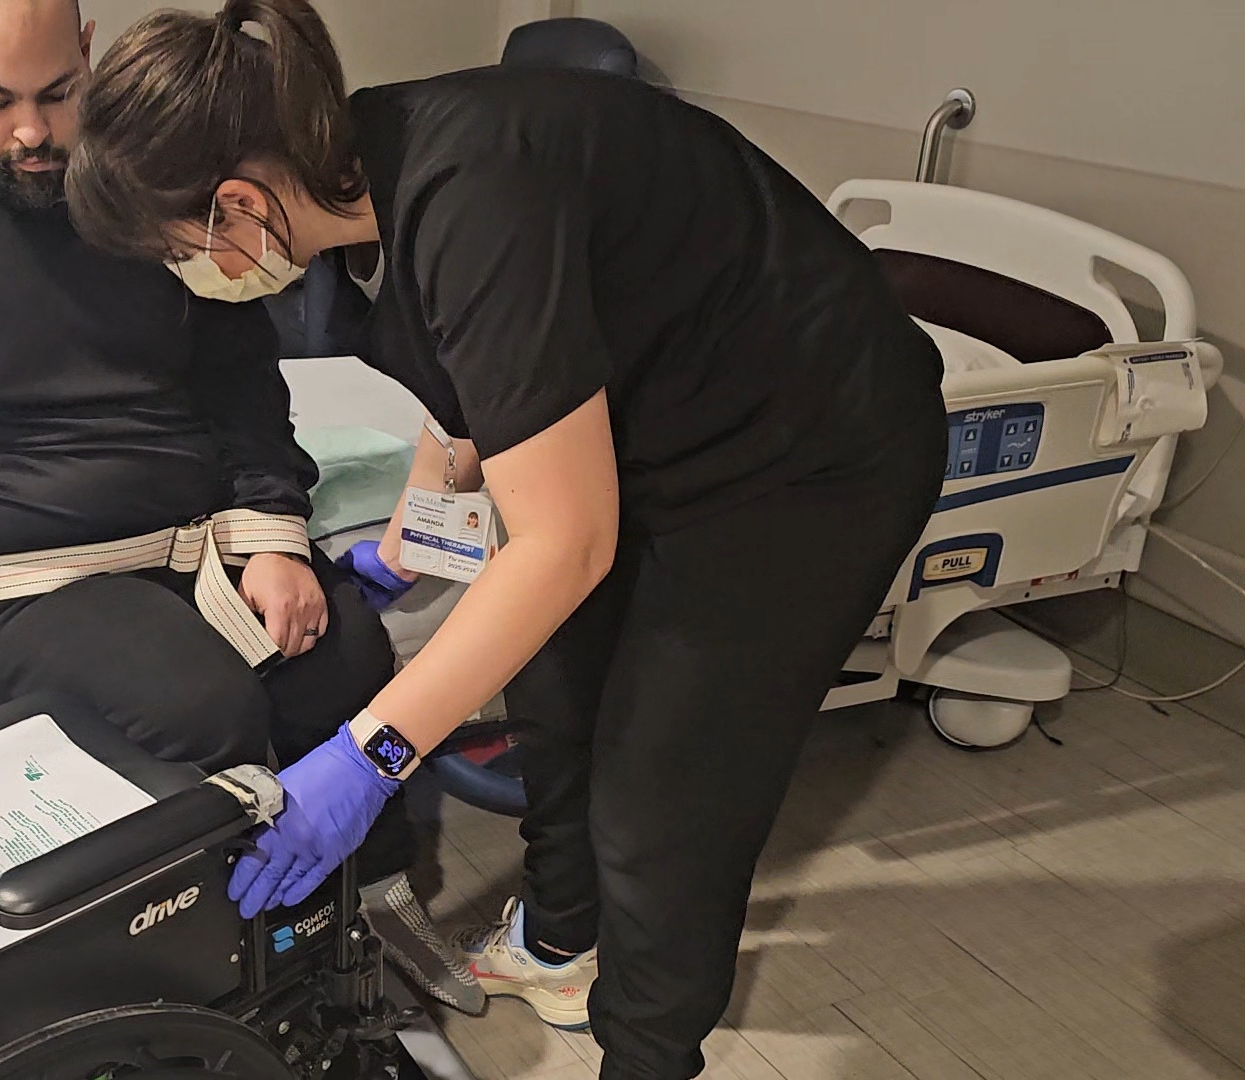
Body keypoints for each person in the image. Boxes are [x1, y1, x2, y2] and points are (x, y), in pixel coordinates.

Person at [63, 2, 946, 1075]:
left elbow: (566, 542)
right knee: (554, 701)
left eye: (181, 251)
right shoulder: (353, 192)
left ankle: (648, 1056)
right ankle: (561, 947)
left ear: (240, 204)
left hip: (808, 459)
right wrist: (402, 551)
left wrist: (372, 755)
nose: (192, 273)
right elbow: (479, 398)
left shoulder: (469, 191)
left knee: (662, 801)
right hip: (649, 435)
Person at [0, 0, 485, 1011]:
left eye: (57, 94)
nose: (32, 132)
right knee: (200, 706)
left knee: (344, 656)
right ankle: (219, 970)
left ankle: (357, 909)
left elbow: (241, 384)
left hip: (185, 543)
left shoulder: (143, 196)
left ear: (88, 54)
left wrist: (274, 536)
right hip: (9, 582)